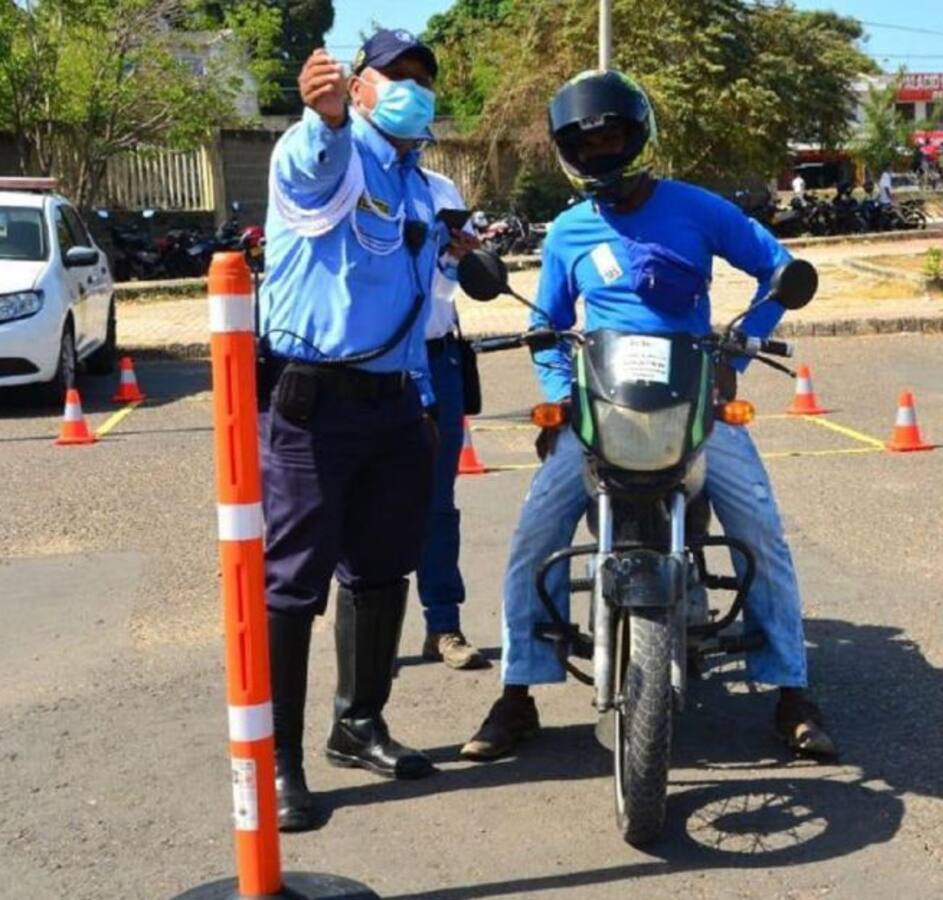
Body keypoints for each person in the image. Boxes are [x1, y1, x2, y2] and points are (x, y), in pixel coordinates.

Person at [461, 70, 836, 763]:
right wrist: (557, 392)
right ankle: (519, 692)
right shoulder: (570, 231)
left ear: (637, 138)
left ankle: (790, 691)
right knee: (533, 538)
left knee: (762, 529)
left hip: (695, 400)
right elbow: (548, 323)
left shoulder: (699, 209)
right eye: (587, 141)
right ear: (571, 153)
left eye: (613, 136)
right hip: (601, 405)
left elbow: (778, 269)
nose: (602, 149)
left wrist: (740, 348)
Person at [260, 28, 470, 833]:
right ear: (360, 82)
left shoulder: (421, 187)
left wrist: (420, 401)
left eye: (423, 77)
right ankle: (278, 760)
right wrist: (329, 119)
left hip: (396, 404)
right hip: (320, 403)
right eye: (396, 75)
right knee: (294, 586)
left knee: (383, 571)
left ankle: (359, 723)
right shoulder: (329, 154)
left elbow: (420, 303)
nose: (412, 87)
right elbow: (313, 164)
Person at [416, 169, 488, 670]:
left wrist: (463, 255)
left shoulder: (441, 187)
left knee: (438, 504)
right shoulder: (349, 175)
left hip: (439, 358)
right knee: (361, 504)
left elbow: (452, 282)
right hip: (374, 364)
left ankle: (443, 625)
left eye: (420, 85)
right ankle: (361, 643)